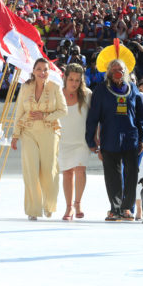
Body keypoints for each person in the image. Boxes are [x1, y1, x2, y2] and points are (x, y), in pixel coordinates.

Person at [85, 58, 143, 221]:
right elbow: (93, 117)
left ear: (126, 72)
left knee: (132, 174)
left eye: (121, 69)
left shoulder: (133, 89)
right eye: (114, 70)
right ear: (108, 73)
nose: (118, 72)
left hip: (130, 138)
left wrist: (142, 138)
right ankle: (115, 208)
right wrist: (91, 140)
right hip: (109, 138)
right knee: (112, 176)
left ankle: (126, 208)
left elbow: (140, 117)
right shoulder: (101, 90)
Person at [12, 58, 67, 220]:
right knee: (31, 170)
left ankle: (49, 205)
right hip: (28, 131)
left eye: (45, 69)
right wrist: (15, 135)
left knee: (49, 171)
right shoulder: (25, 87)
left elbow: (63, 110)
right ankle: (33, 209)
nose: (42, 72)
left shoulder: (56, 87)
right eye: (39, 69)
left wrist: (45, 116)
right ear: (33, 71)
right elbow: (19, 111)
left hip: (49, 132)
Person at [58, 63, 92, 220]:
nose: (74, 83)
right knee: (67, 173)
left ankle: (78, 203)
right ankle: (68, 207)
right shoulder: (57, 94)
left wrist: (95, 137)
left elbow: (94, 119)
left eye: (77, 80)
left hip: (81, 141)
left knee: (80, 171)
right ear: (65, 78)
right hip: (63, 140)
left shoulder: (87, 95)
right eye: (71, 79)